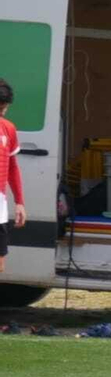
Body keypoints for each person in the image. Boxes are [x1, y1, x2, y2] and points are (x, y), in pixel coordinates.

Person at [0, 78, 23, 277]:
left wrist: (20, 202)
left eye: (4, 106)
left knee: (0, 262)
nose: (4, 109)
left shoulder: (8, 128)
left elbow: (12, 167)